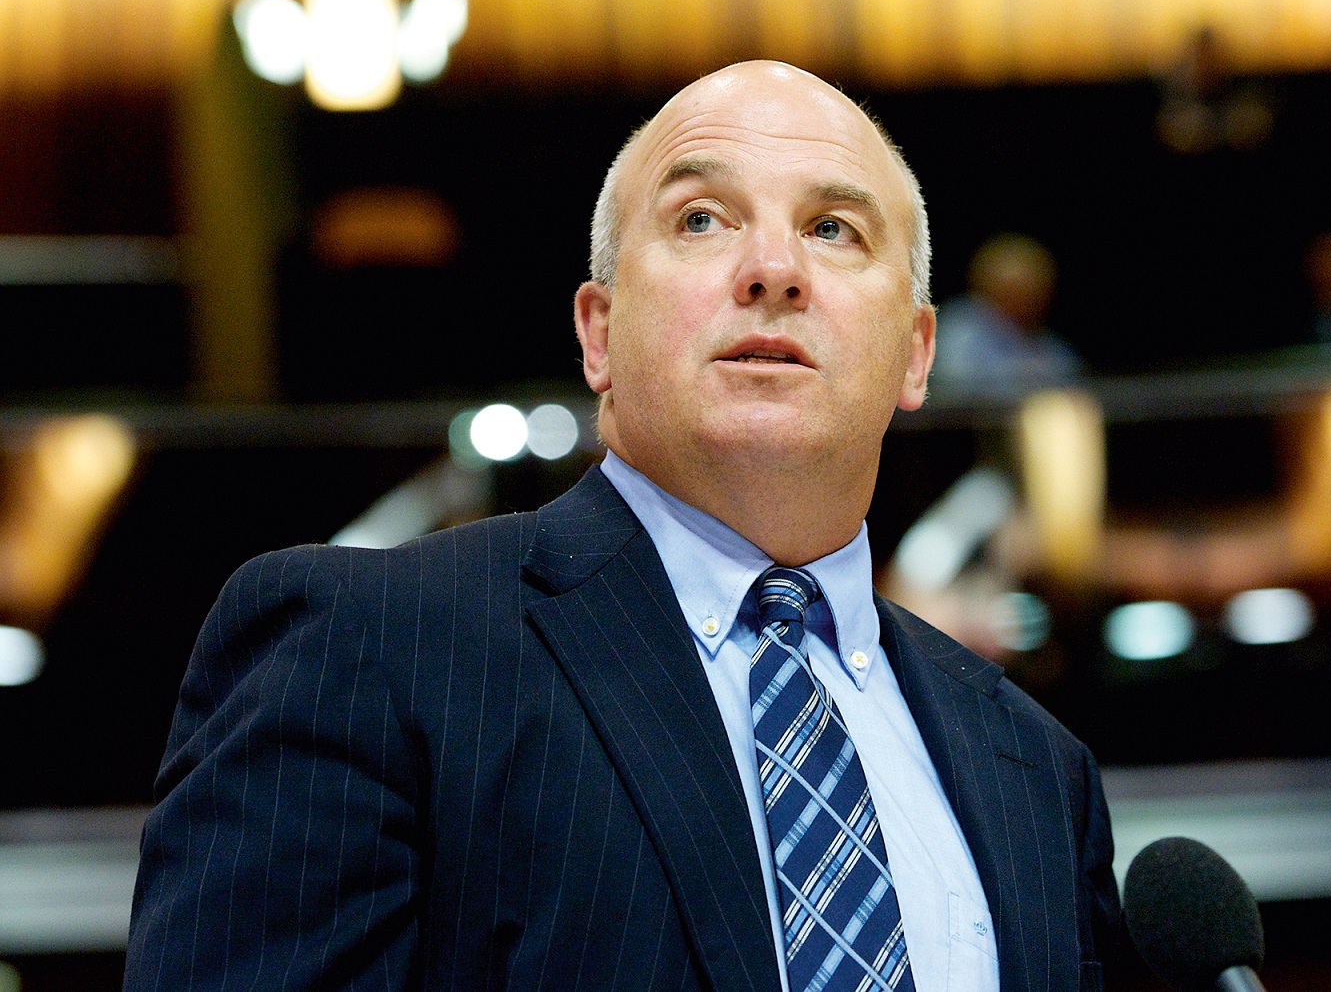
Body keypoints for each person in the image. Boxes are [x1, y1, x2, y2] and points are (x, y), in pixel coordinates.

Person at [123, 61, 1120, 991]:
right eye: (701, 219)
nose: (774, 268)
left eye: (833, 229)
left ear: (916, 352)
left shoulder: (1037, 771)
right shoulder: (368, 649)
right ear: (598, 331)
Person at [931, 232, 1081, 402]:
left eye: (1034, 288)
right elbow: (955, 398)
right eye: (1016, 288)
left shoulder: (1053, 350)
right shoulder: (959, 332)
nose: (1027, 299)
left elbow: (1074, 395)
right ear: (987, 286)